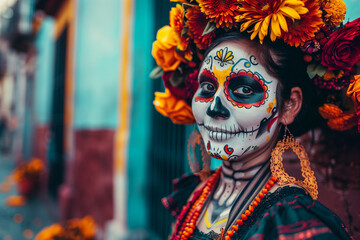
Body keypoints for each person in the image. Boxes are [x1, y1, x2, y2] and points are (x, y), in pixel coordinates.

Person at [151, 1, 359, 239]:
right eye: (207, 87)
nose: (213, 107)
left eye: (244, 90)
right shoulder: (194, 196)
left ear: (289, 105)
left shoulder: (297, 224)